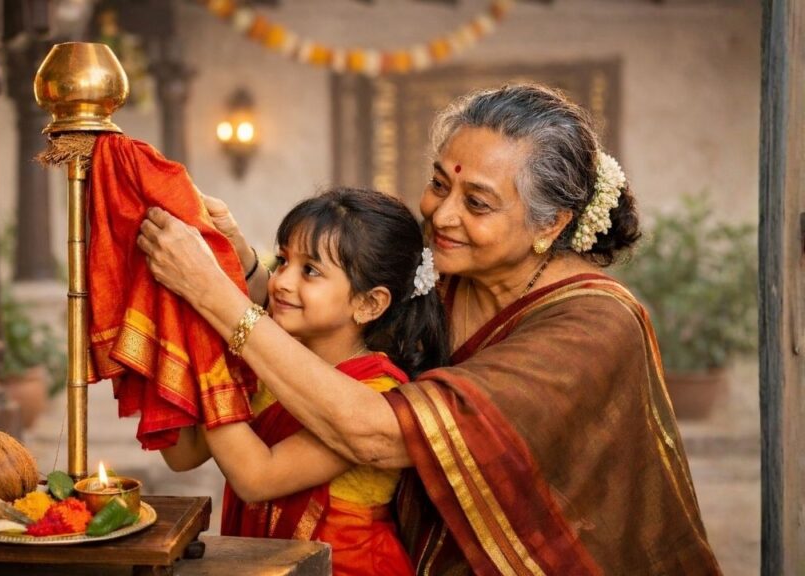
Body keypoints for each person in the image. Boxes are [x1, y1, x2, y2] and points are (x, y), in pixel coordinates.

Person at [138, 83, 721, 575]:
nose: (442, 215)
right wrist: (239, 261)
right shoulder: (447, 281)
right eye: (440, 184)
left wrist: (216, 300)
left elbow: (380, 433)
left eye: (478, 203)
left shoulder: (593, 324)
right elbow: (336, 321)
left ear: (552, 223)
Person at [150, 188, 448, 576]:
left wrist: (211, 325)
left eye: (310, 270)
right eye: (283, 259)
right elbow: (183, 454)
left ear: (369, 303)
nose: (281, 282)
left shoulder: (375, 394)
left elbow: (257, 476)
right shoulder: (272, 357)